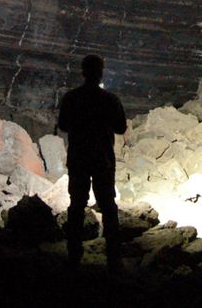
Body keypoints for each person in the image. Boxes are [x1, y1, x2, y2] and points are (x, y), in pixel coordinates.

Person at [57, 54, 127, 270]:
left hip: (79, 158)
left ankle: (74, 255)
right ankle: (114, 258)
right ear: (101, 72)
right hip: (102, 159)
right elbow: (121, 128)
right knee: (108, 205)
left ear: (83, 72)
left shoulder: (71, 98)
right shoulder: (110, 99)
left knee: (76, 205)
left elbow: (64, 126)